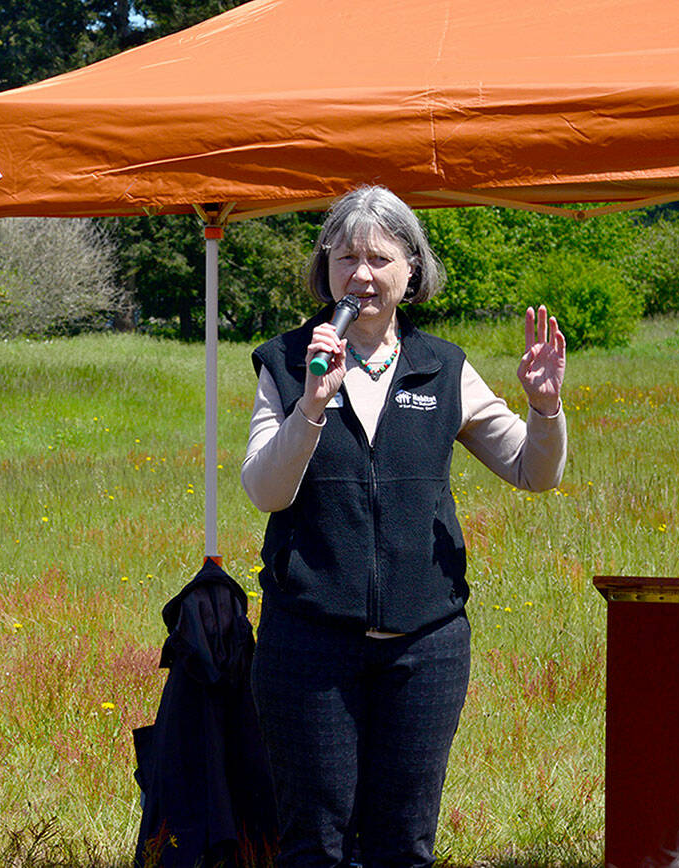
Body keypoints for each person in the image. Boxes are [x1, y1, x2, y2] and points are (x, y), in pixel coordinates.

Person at [240, 185, 567, 868]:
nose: (360, 274)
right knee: (315, 847)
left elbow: (534, 472)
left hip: (426, 648)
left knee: (404, 845)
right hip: (309, 647)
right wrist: (310, 408)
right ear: (324, 267)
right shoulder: (285, 361)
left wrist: (544, 409)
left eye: (379, 257)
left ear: (411, 269)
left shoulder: (443, 366)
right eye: (345, 256)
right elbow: (265, 491)